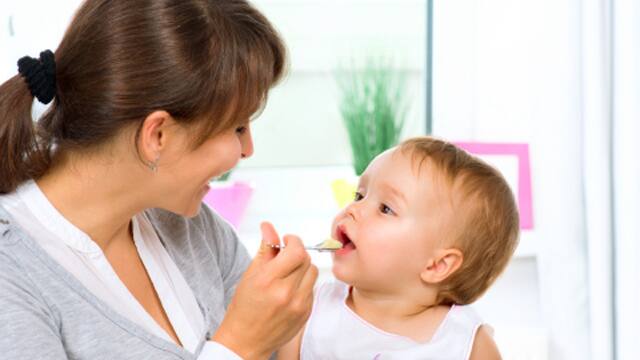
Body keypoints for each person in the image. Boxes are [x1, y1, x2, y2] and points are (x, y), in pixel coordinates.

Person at [0, 1, 318, 359]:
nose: (247, 149)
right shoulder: (12, 276)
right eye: (238, 127)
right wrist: (239, 347)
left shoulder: (192, 229)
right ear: (158, 135)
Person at [278, 137, 520, 359]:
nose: (353, 209)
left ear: (437, 265)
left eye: (385, 208)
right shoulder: (307, 311)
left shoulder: (468, 347)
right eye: (359, 195)